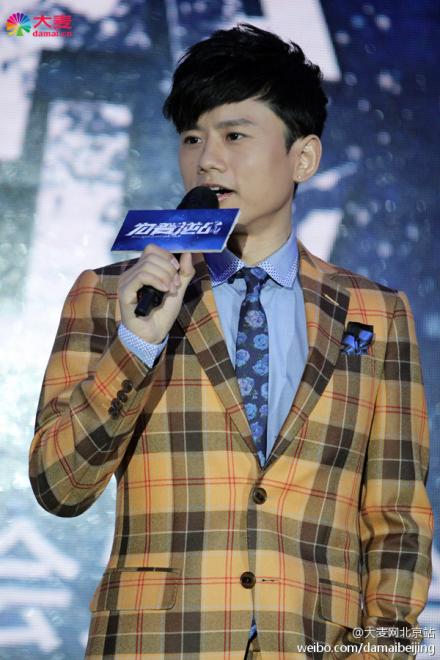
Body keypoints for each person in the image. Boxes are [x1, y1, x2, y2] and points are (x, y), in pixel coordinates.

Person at [29, 23, 432, 659]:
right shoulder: (112, 295)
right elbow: (59, 486)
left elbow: (398, 521)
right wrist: (135, 345)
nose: (207, 159)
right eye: (193, 138)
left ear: (304, 157)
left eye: (234, 135)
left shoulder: (377, 313)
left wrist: (383, 650)